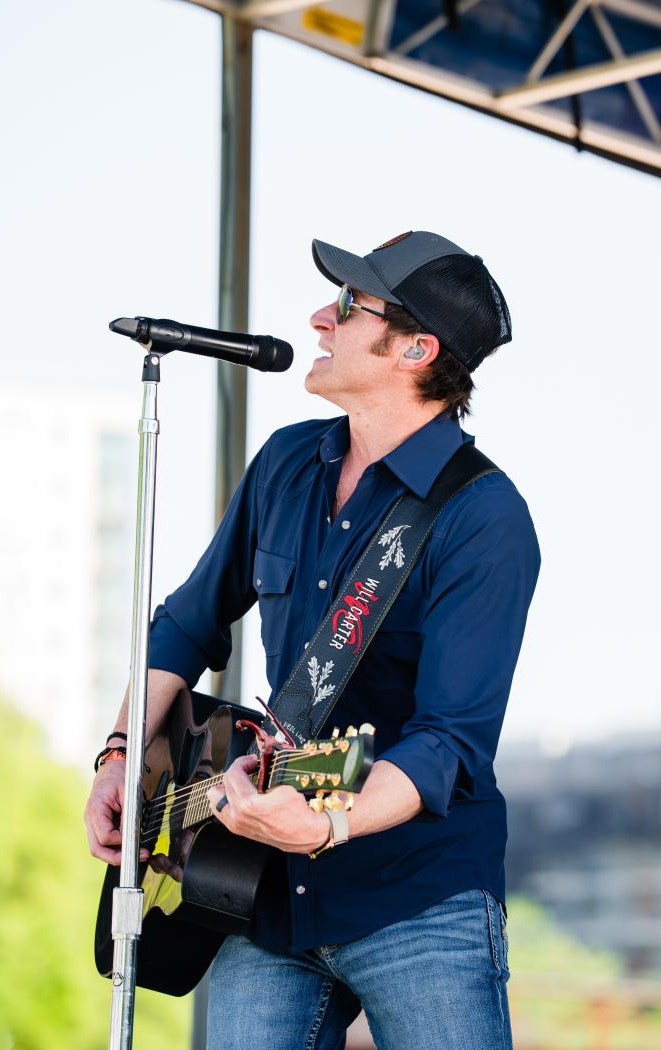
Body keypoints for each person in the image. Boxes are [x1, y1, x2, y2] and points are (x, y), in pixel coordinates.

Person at [85, 230, 540, 1050]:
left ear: (415, 348)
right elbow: (185, 625)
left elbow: (448, 744)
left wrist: (329, 826)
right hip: (257, 888)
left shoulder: (484, 519)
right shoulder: (287, 462)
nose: (318, 321)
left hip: (418, 896)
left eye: (345, 306)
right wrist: (120, 755)